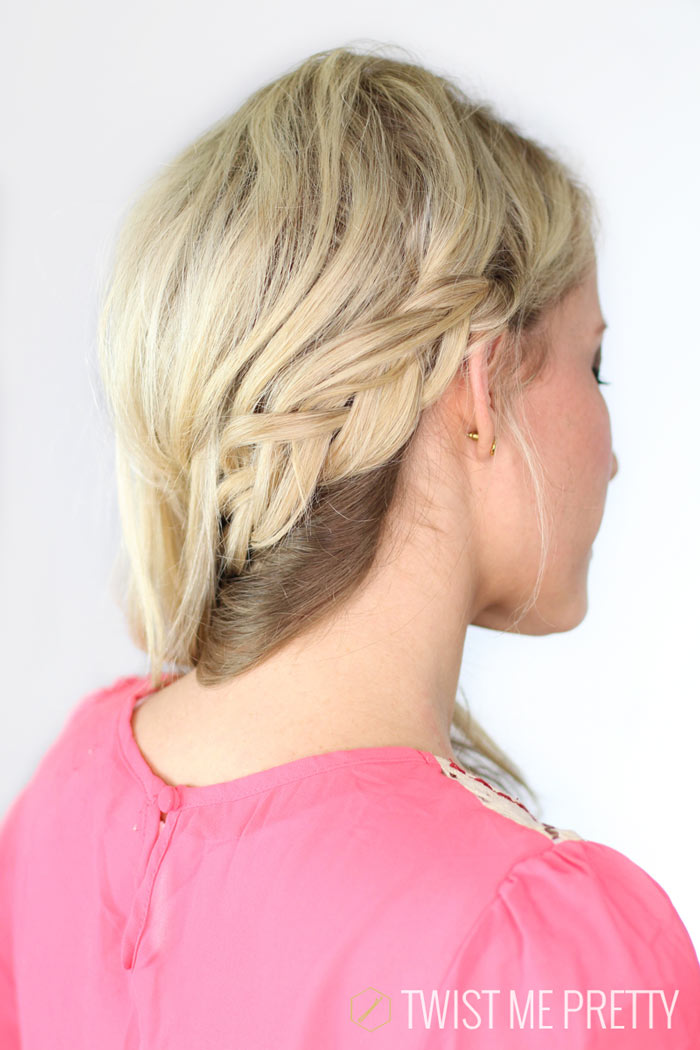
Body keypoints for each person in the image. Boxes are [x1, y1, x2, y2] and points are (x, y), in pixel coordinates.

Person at [1, 43, 698, 1048]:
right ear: (480, 386)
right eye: (594, 368)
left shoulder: (71, 795)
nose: (613, 452)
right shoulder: (539, 958)